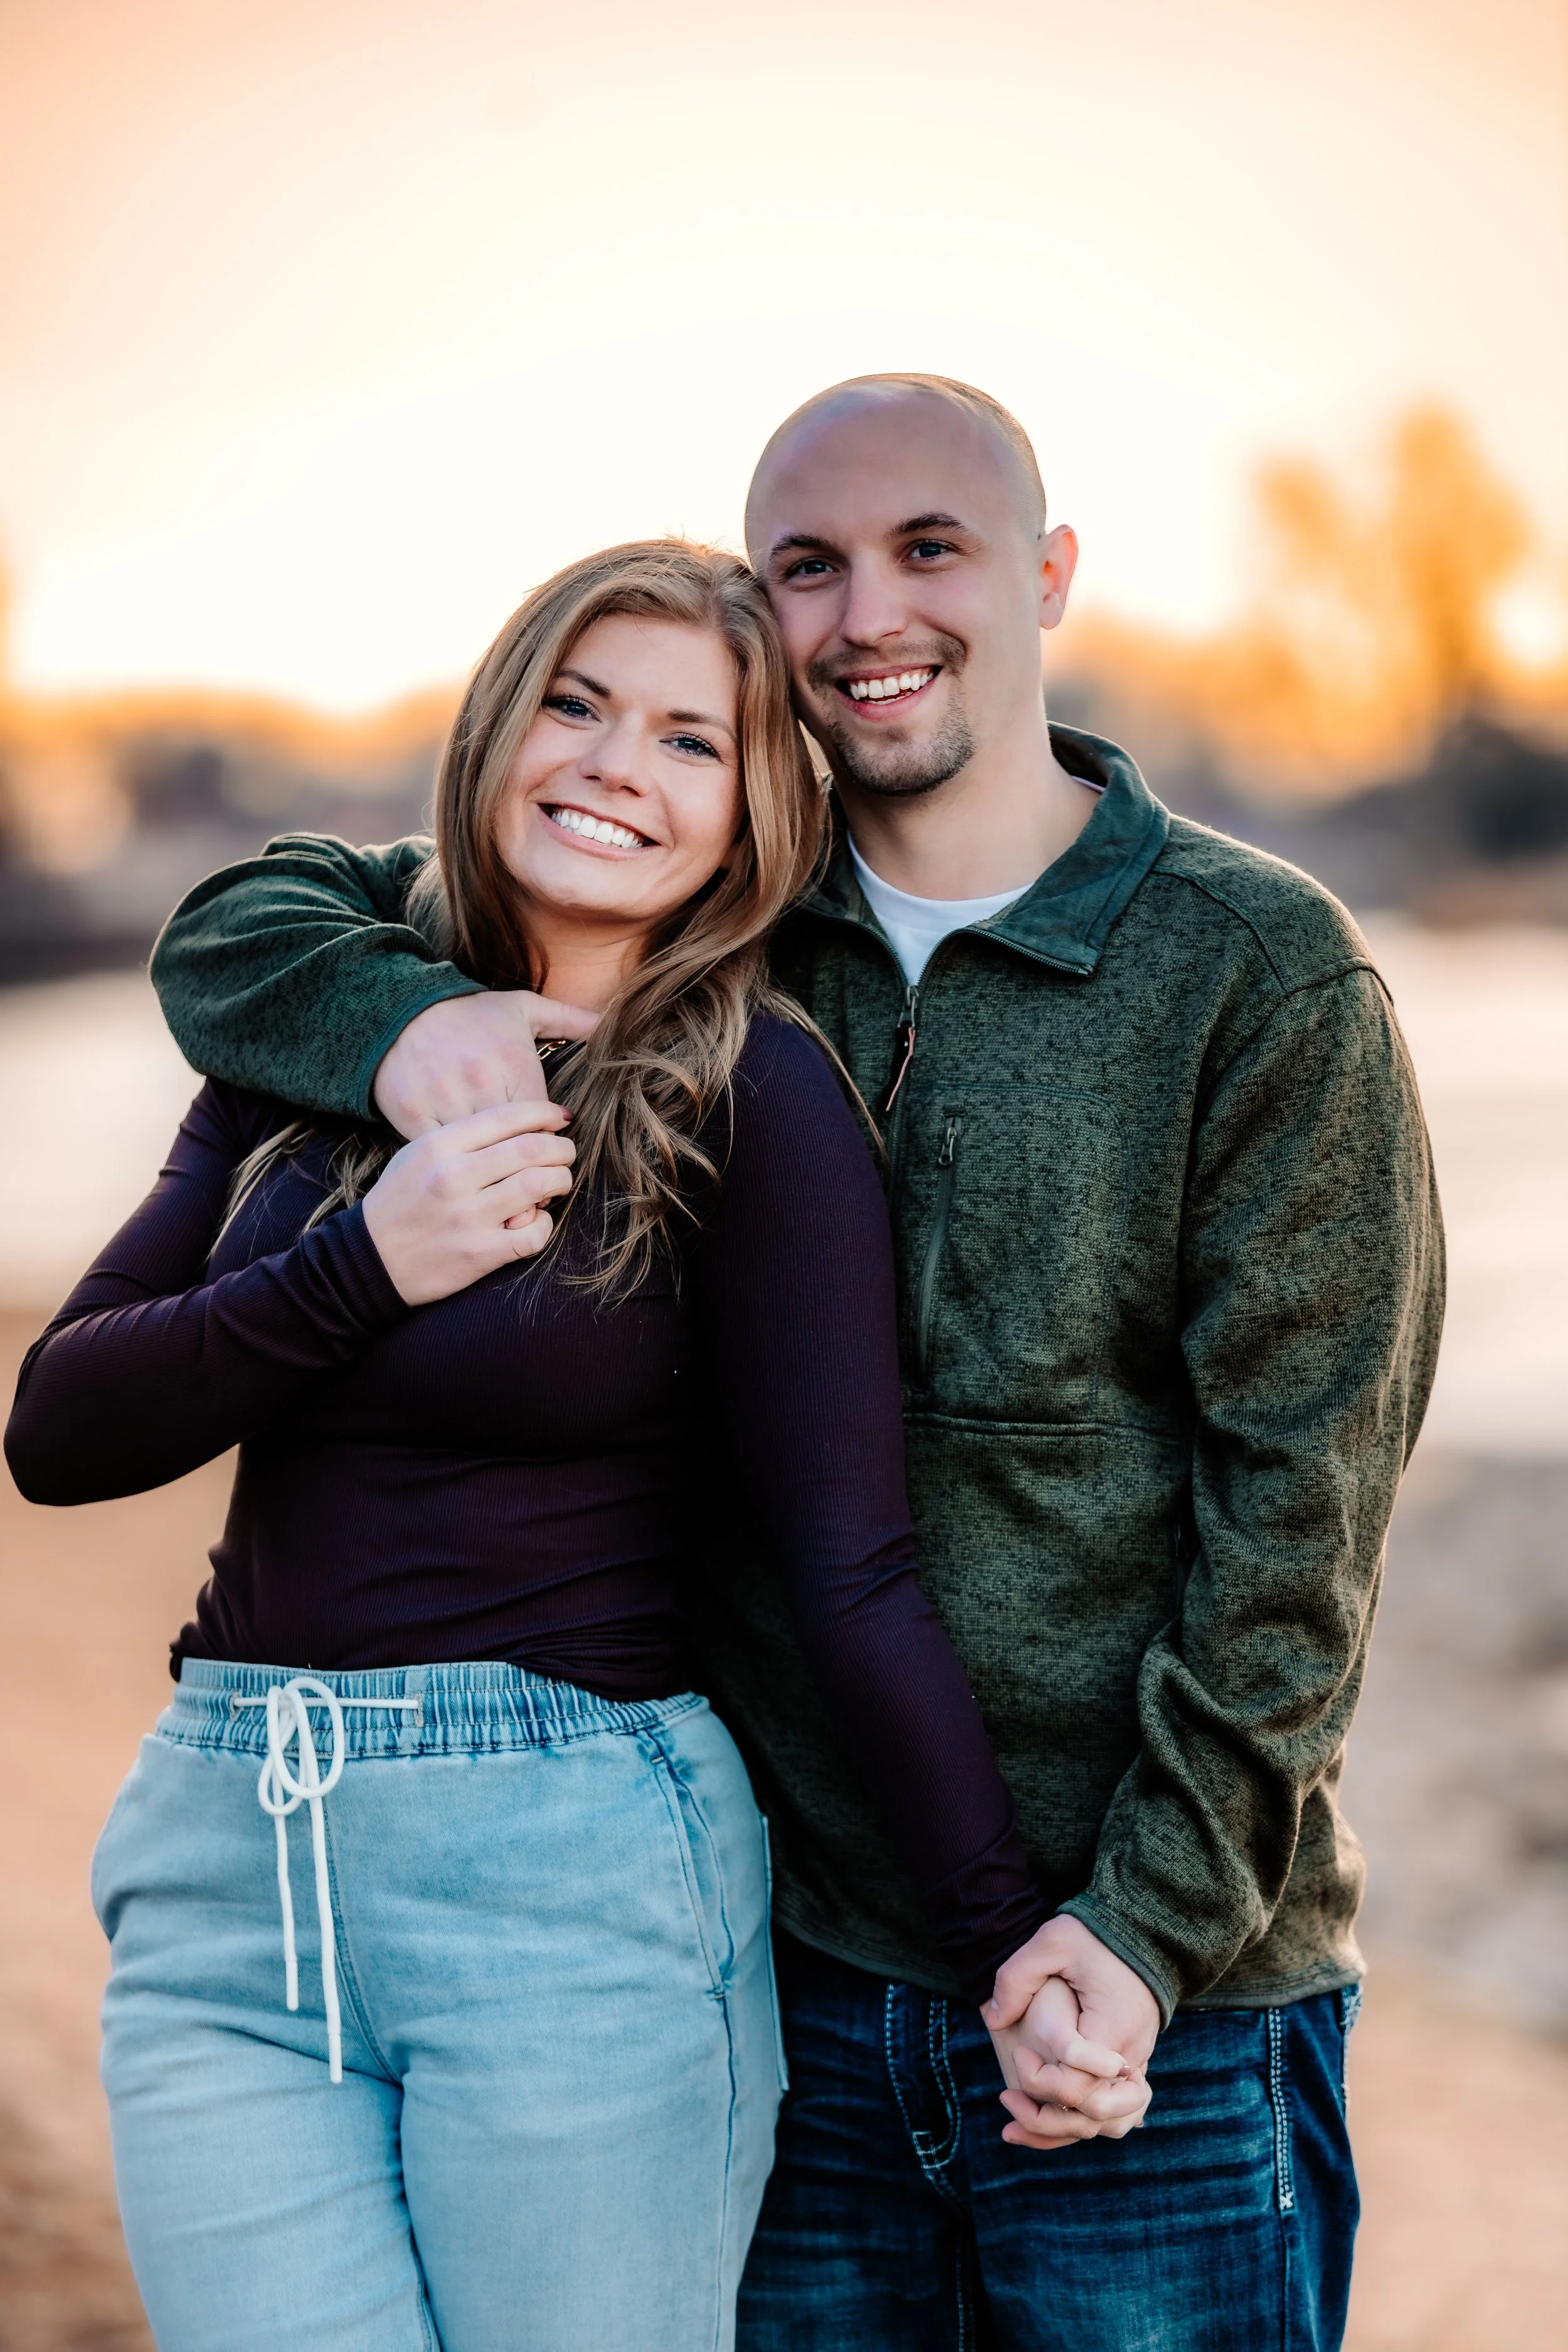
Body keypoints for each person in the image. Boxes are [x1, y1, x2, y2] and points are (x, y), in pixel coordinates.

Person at [140, 379, 1444, 2351]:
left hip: (1143, 2002)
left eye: (932, 550)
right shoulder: (710, 913)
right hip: (785, 1957)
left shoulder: (1256, 977)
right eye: (806, 567)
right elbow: (244, 927)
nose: (867, 614)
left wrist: (1132, 1934)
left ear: (1047, 575)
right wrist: (409, 1028)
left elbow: (1299, 1533)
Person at [5, 541, 1145, 2352]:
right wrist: (367, 1261)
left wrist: (1006, 1932)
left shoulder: (750, 1093)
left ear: (755, 808)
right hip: (233, 1861)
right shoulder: (323, 1031)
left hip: (567, 1877)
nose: (617, 761)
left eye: (691, 740)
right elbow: (60, 1427)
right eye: (579, 701)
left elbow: (848, 1564)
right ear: (497, 724)